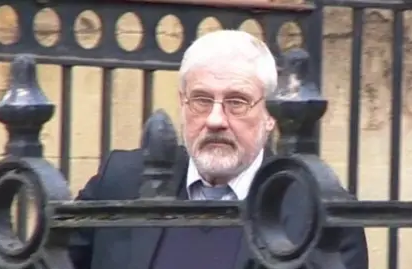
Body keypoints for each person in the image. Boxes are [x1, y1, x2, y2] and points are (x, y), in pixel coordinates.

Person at [68, 30, 368, 269]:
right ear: (182, 103)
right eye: (201, 100)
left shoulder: (319, 212)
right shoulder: (120, 182)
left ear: (270, 115)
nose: (215, 120)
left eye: (237, 102)